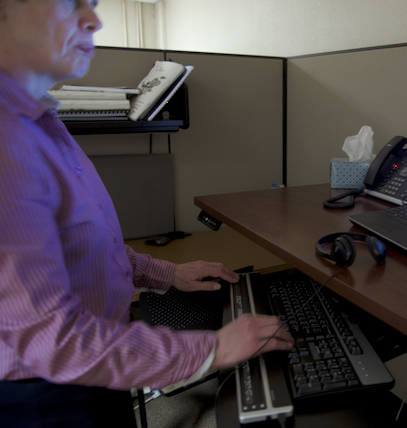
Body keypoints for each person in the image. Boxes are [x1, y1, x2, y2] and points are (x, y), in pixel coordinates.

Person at [0, 1, 294, 426]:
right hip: (49, 393)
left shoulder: (37, 119)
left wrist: (166, 273)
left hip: (89, 368)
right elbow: (52, 343)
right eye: (70, 2)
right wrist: (213, 348)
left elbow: (82, 244)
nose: (93, 20)